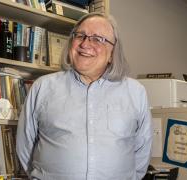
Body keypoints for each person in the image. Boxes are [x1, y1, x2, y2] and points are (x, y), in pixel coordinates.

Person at [16, 12, 153, 180]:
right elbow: (25, 147)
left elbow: (142, 151)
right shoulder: (42, 87)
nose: (85, 44)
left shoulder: (136, 92)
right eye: (80, 35)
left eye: (98, 39)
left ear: (112, 53)